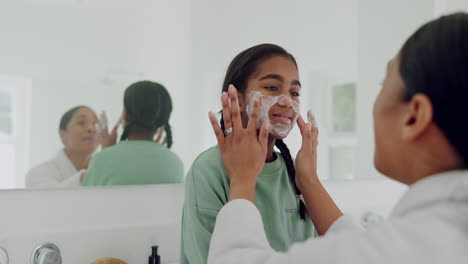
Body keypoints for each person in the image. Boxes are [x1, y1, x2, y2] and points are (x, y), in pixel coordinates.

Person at [207, 13, 468, 264]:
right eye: (273, 88)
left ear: (414, 116)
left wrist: (241, 179)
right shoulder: (442, 234)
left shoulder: (405, 247)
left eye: (382, 82)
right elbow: (359, 246)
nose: (287, 101)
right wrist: (308, 180)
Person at [180, 44, 318, 264]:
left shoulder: (297, 172)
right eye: (272, 88)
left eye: (294, 92)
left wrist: (310, 180)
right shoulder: (209, 169)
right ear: (239, 97)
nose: (287, 101)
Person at [81, 80, 183, 186]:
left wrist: (107, 153)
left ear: (126, 115)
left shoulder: (103, 160)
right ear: (163, 122)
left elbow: (85, 200)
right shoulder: (174, 162)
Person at [26, 106, 99, 188]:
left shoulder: (103, 170)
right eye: (81, 122)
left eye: (95, 124)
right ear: (62, 134)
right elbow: (49, 198)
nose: (92, 129)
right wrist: (85, 177)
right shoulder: (38, 173)